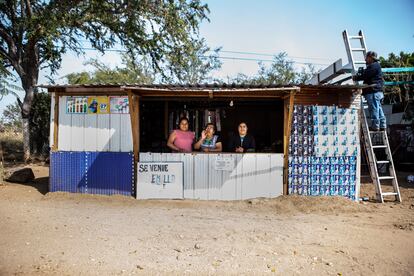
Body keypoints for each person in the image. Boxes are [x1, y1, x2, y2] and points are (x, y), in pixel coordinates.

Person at [353, 51, 386, 131]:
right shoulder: (376, 66)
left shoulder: (374, 66)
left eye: (367, 58)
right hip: (376, 91)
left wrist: (356, 77)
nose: (365, 59)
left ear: (371, 58)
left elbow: (365, 75)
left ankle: (376, 126)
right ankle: (382, 125)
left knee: (374, 109)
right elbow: (367, 75)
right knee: (378, 108)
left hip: (373, 91)